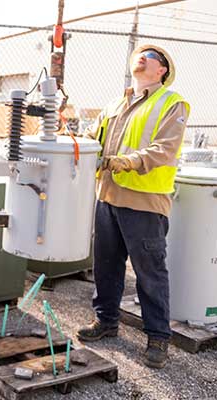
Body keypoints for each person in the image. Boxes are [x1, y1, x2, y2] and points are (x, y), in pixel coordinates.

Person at [77, 44, 189, 369]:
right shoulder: (116, 104)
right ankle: (106, 321)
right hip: (108, 196)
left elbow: (164, 150)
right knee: (106, 265)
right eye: (141, 53)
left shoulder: (172, 103)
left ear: (162, 70)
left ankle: (158, 338)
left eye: (152, 56)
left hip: (144, 202)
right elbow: (91, 140)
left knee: (149, 272)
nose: (144, 56)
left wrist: (124, 162)